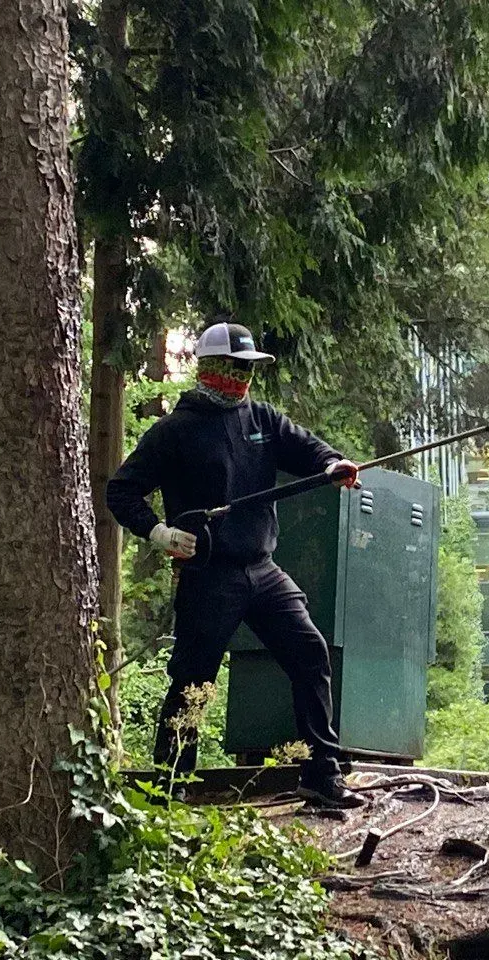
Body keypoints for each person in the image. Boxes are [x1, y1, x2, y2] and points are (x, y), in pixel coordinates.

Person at [106, 319, 364, 808]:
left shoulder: (262, 419)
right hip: (208, 577)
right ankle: (170, 788)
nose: (243, 377)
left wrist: (333, 464)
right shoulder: (175, 431)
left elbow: (308, 449)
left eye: (249, 368)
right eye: (236, 367)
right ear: (210, 368)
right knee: (193, 681)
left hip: (263, 570)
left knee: (310, 653)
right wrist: (158, 533)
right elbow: (121, 490)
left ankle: (321, 776)